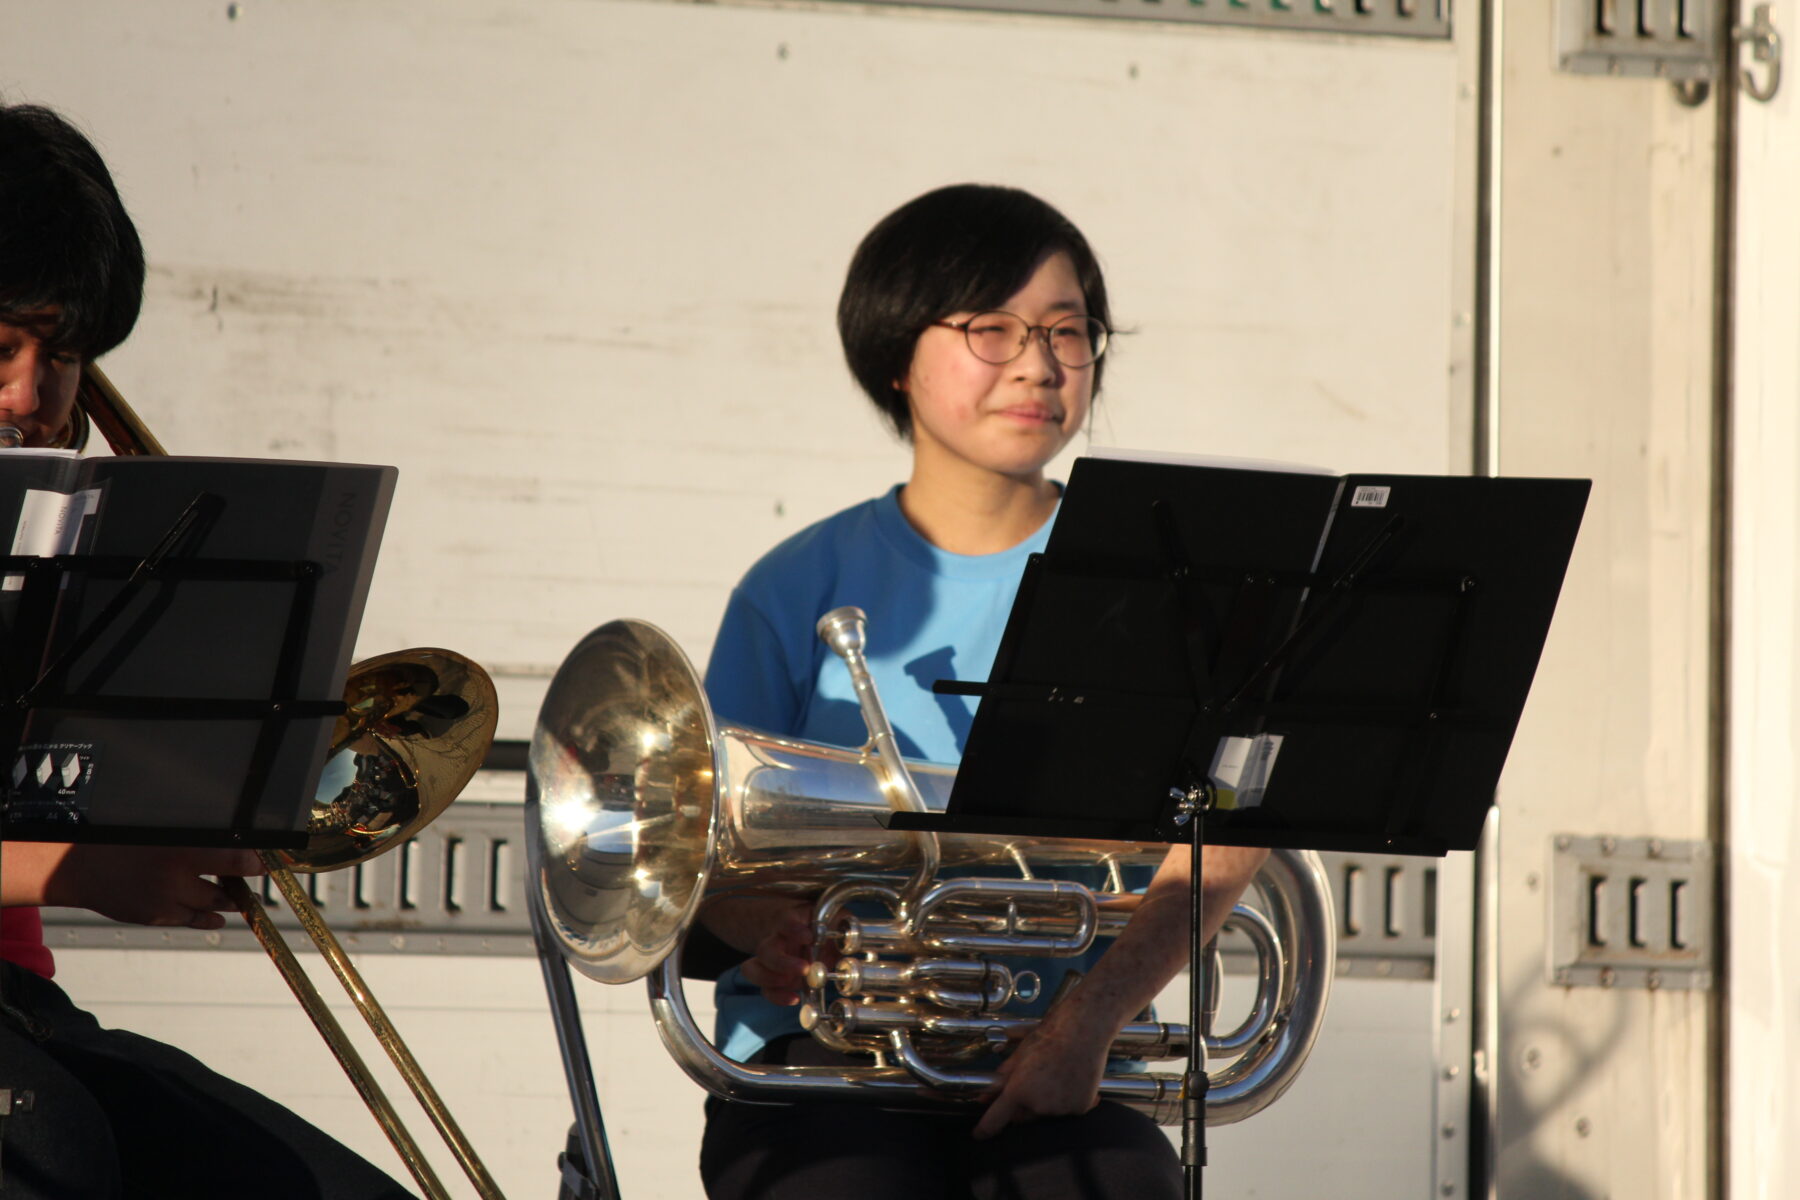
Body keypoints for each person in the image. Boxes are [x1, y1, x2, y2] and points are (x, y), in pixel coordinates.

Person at [693, 183, 1269, 1200]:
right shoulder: (791, 589)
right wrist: (765, 929)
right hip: (818, 1075)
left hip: (1074, 1061)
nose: (1040, 365)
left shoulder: (1161, 586)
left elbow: (1225, 833)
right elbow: (703, 857)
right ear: (894, 357)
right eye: (991, 330)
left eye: (1066, 330)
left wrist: (1085, 1023)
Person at [0, 101, 414, 1200]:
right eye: (1, 346)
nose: (30, 398)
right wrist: (75, 870)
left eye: (66, 356)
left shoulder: (47, 535)